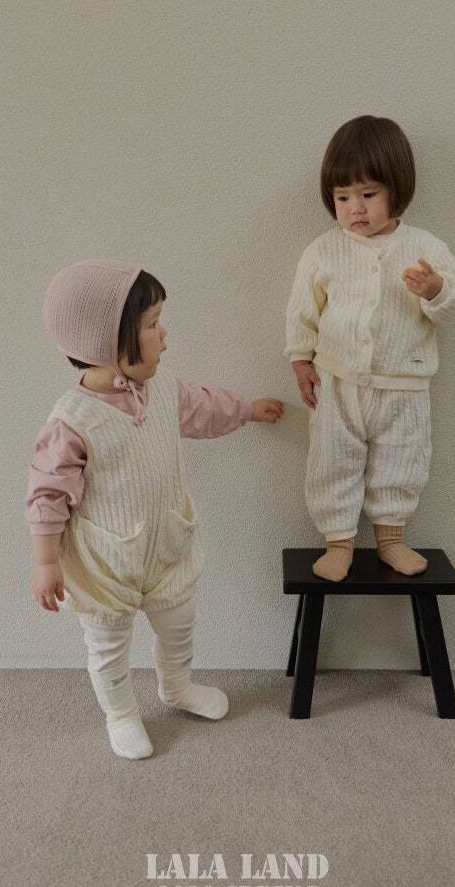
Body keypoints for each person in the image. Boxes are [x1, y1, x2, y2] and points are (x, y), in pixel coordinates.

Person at [27, 259, 284, 759]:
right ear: (107, 343)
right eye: (152, 325)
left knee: (179, 623)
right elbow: (47, 494)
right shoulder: (72, 421)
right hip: (105, 561)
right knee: (108, 646)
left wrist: (248, 409)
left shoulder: (162, 390)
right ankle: (121, 714)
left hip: (166, 544)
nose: (164, 336)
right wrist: (45, 561)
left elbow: (204, 408)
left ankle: (177, 685)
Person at [284, 116, 455, 582]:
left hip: (404, 383)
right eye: (343, 198)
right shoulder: (323, 251)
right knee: (331, 459)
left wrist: (435, 289)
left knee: (403, 458)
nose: (355, 209)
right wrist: (300, 359)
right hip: (337, 381)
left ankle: (391, 540)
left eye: (368, 195)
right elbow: (302, 311)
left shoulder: (424, 247)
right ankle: (338, 542)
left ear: (397, 189)